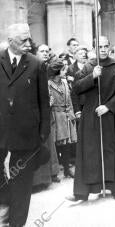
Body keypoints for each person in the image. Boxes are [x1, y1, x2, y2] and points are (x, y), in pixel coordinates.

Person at [66, 36, 115, 202]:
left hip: (112, 114)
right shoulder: (88, 67)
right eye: (100, 46)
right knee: (90, 151)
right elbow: (76, 88)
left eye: (106, 46)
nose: (104, 49)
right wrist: (92, 76)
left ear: (109, 47)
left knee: (114, 150)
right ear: (94, 48)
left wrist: (108, 106)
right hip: (91, 114)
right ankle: (82, 192)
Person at [0, 23, 50, 227]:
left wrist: (42, 133)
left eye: (29, 39)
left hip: (26, 133)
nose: (28, 44)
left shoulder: (36, 64)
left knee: (22, 181)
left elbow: (43, 101)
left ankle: (16, 222)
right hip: (0, 130)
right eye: (23, 40)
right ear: (10, 42)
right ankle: (6, 205)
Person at [33, 44, 60, 187]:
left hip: (46, 111)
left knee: (49, 143)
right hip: (36, 111)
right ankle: (39, 180)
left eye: (47, 51)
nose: (45, 53)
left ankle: (50, 174)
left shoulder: (45, 67)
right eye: (42, 51)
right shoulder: (33, 67)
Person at [48, 59, 77, 178]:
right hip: (54, 117)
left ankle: (66, 169)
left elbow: (69, 99)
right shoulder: (48, 84)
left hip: (66, 116)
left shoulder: (65, 83)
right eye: (63, 69)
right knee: (55, 146)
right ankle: (53, 172)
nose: (66, 71)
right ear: (57, 71)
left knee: (66, 146)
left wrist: (71, 114)